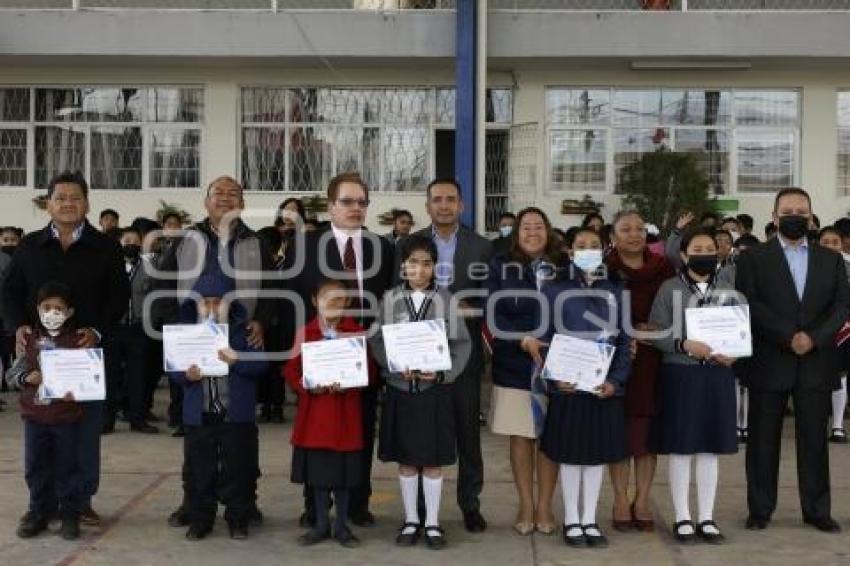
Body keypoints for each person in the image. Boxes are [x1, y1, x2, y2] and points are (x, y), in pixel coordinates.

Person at [3, 171, 129, 528]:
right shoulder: (29, 246)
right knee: (40, 435)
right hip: (40, 355)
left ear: (87, 203)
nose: (68, 203)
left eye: (75, 197)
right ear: (49, 204)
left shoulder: (106, 247)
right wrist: (18, 325)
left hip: (85, 356)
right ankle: (40, 504)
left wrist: (97, 330)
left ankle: (80, 501)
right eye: (60, 198)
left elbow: (118, 297)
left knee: (85, 433)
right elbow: (9, 292)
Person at [156, 175, 272, 530]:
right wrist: (176, 331)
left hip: (239, 334)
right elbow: (162, 282)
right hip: (192, 338)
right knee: (197, 438)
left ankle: (245, 504)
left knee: (240, 438)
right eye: (217, 193)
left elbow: (274, 286)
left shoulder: (256, 241)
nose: (225, 198)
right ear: (205, 201)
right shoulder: (186, 239)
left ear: (243, 203)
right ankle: (193, 503)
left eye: (233, 193)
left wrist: (261, 320)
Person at [283, 171, 395, 528]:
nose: (355, 208)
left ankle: (357, 504)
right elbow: (291, 299)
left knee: (360, 430)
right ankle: (314, 507)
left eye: (362, 202)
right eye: (347, 201)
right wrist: (301, 350)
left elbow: (390, 302)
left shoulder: (383, 248)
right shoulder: (306, 246)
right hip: (318, 356)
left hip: (364, 356)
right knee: (316, 432)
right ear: (331, 206)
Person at [736, 187, 849, 533]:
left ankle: (817, 511)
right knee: (762, 441)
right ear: (774, 217)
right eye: (787, 212)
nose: (794, 217)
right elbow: (749, 302)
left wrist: (814, 337)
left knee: (814, 441)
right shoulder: (753, 258)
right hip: (770, 359)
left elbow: (842, 306)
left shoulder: (831, 259)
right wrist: (788, 336)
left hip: (816, 360)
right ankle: (760, 509)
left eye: (801, 211)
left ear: (811, 218)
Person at [400, 178, 493, 533]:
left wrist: (473, 306)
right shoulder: (408, 244)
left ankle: (470, 504)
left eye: (450, 199)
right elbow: (398, 290)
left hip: (463, 352)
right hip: (419, 354)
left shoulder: (482, 247)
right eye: (437, 199)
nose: (444, 205)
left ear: (461, 205)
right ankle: (422, 508)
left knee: (468, 432)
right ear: (427, 206)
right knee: (423, 430)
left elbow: (491, 295)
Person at [371, 235, 471, 550]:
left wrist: (442, 373)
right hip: (400, 389)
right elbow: (377, 340)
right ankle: (412, 519)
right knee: (406, 460)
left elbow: (461, 344)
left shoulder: (446, 300)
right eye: (413, 262)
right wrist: (392, 366)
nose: (420, 269)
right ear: (403, 266)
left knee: (432, 461)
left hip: (433, 391)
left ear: (435, 267)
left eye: (427, 263)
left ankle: (432, 523)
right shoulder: (390, 299)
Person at [650, 228, 744, 544]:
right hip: (681, 374)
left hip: (717, 375)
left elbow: (742, 332)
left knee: (709, 448)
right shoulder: (669, 288)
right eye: (697, 249)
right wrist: (683, 344)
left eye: (709, 249)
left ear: (718, 254)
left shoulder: (730, 291)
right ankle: (682, 517)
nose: (704, 254)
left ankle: (706, 517)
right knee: (681, 447)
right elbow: (656, 331)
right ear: (684, 254)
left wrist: (735, 352)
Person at [540, 227, 631, 548]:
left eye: (594, 245)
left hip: (602, 387)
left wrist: (615, 381)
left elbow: (624, 342)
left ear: (604, 250)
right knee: (570, 455)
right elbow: (545, 338)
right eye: (581, 245)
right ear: (570, 251)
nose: (588, 250)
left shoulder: (617, 289)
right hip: (568, 387)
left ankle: (590, 519)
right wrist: (554, 377)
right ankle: (572, 520)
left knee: (595, 456)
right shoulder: (554, 289)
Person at [169, 275, 267, 541]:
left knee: (239, 469)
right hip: (199, 416)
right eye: (205, 302)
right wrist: (186, 376)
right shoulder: (185, 334)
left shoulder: (245, 332)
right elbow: (174, 372)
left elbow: (261, 365)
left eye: (218, 302)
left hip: (236, 416)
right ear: (195, 305)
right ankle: (201, 519)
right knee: (200, 471)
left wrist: (238, 361)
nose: (211, 307)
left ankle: (238, 518)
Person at [486, 207, 564, 536]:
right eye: (526, 227)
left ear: (548, 230)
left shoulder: (564, 266)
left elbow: (575, 307)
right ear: (516, 233)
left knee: (550, 437)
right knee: (521, 436)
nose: (533, 232)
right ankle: (526, 504)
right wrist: (522, 339)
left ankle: (545, 505)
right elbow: (493, 312)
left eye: (538, 226)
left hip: (557, 362)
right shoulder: (500, 266)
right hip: (514, 362)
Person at [284, 278, 376, 548]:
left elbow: (369, 373)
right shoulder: (304, 333)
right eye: (327, 298)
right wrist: (307, 385)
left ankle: (342, 527)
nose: (333, 304)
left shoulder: (357, 334)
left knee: (344, 477)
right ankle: (321, 525)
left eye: (339, 299)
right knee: (320, 476)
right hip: (315, 415)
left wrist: (350, 381)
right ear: (315, 301)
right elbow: (290, 370)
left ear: (347, 302)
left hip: (346, 414)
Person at [605, 210, 674, 532]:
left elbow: (676, 309)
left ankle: (643, 499)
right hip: (616, 360)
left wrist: (655, 330)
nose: (634, 234)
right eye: (625, 229)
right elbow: (593, 311)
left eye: (639, 229)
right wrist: (626, 333)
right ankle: (620, 499)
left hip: (655, 361)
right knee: (619, 434)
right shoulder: (604, 269)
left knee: (646, 436)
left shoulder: (663, 267)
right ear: (613, 236)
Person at [10, 282, 85, 541]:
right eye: (46, 307)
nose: (52, 313)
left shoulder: (79, 341)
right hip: (35, 418)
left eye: (59, 308)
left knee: (68, 468)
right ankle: (38, 513)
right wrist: (26, 378)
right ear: (38, 309)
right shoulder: (28, 339)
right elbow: (13, 374)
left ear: (70, 312)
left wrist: (79, 389)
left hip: (66, 418)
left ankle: (70, 515)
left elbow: (91, 378)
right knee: (36, 467)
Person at [103, 227, 158, 434]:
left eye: (136, 241)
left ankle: (137, 419)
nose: (131, 245)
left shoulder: (150, 267)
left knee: (138, 376)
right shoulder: (109, 265)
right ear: (119, 243)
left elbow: (157, 295)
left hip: (138, 328)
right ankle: (107, 420)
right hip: (113, 328)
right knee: (110, 375)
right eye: (127, 241)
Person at [817, 226, 849, 444]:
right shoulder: (808, 266)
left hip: (844, 330)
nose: (830, 246)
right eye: (825, 242)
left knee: (841, 375)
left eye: (834, 242)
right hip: (815, 330)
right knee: (817, 376)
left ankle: (837, 425)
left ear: (842, 245)